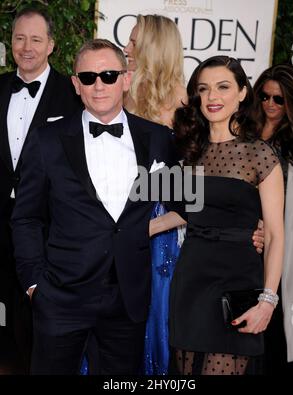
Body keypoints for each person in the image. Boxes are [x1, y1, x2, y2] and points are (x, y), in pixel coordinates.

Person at [11, 38, 184, 375]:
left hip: (127, 300)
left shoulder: (157, 138)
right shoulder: (47, 140)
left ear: (126, 79)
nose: (99, 85)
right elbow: (26, 217)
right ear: (76, 85)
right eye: (88, 77)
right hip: (61, 297)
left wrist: (249, 221)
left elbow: (185, 203)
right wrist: (34, 283)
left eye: (108, 74)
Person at [150, 56, 284, 375]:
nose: (213, 97)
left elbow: (277, 234)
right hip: (192, 280)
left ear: (241, 93)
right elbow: (188, 214)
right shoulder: (192, 151)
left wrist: (268, 300)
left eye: (223, 87)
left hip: (239, 280)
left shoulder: (260, 154)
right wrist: (131, 230)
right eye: (204, 89)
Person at [0, 7, 82, 373]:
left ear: (51, 44)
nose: (26, 47)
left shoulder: (73, 95)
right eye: (19, 38)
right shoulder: (0, 87)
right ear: (9, 43)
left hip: (47, 230)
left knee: (36, 323)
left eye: (35, 39)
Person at [124, 13, 186, 375]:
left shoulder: (183, 107)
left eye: (133, 42)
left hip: (157, 234)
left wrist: (141, 230)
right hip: (116, 226)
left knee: (152, 322)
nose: (126, 48)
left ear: (152, 49)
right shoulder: (120, 93)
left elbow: (188, 198)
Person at [253, 64, 293, 375]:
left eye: (278, 100)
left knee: (275, 335)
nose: (270, 104)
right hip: (242, 242)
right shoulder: (241, 131)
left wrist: (269, 228)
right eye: (265, 97)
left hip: (278, 245)